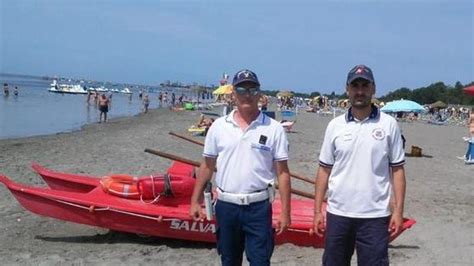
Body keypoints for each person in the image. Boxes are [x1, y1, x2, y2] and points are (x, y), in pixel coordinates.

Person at [189, 69, 291, 266]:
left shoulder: (273, 128)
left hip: (259, 208)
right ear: (233, 94)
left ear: (259, 94)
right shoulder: (219, 126)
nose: (247, 94)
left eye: (252, 90)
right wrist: (195, 201)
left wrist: (285, 212)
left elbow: (283, 173)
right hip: (226, 206)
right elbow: (207, 166)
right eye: (242, 89)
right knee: (229, 261)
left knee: (261, 261)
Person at [313, 64, 406, 265]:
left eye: (365, 85)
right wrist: (317, 210)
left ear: (374, 88)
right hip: (338, 213)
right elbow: (323, 170)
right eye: (355, 86)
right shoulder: (335, 125)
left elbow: (397, 170)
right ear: (348, 89)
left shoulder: (389, 125)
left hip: (375, 215)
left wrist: (398, 211)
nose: (360, 91)